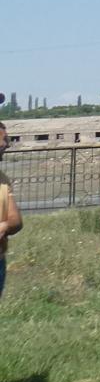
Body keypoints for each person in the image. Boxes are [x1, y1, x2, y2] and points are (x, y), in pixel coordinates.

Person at [0, 122, 21, 302]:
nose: (6, 144)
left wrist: (5, 225)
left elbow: (14, 220)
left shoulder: (2, 179)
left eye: (6, 139)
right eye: (3, 139)